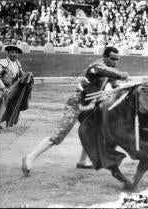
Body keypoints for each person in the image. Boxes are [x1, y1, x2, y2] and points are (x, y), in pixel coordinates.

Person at [21, 46, 129, 176]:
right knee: (59, 134)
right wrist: (121, 75)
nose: (115, 62)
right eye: (113, 59)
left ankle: (82, 162)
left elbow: (115, 84)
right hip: (76, 103)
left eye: (117, 59)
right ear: (105, 57)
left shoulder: (109, 70)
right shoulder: (97, 66)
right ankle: (30, 157)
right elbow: (110, 73)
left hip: (89, 105)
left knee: (92, 132)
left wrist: (124, 88)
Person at [0, 45, 31, 133]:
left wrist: (28, 76)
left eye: (16, 53)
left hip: (10, 89)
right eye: (12, 52)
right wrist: (3, 88)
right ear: (8, 53)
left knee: (6, 106)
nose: (14, 54)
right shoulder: (3, 62)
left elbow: (21, 75)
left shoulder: (17, 63)